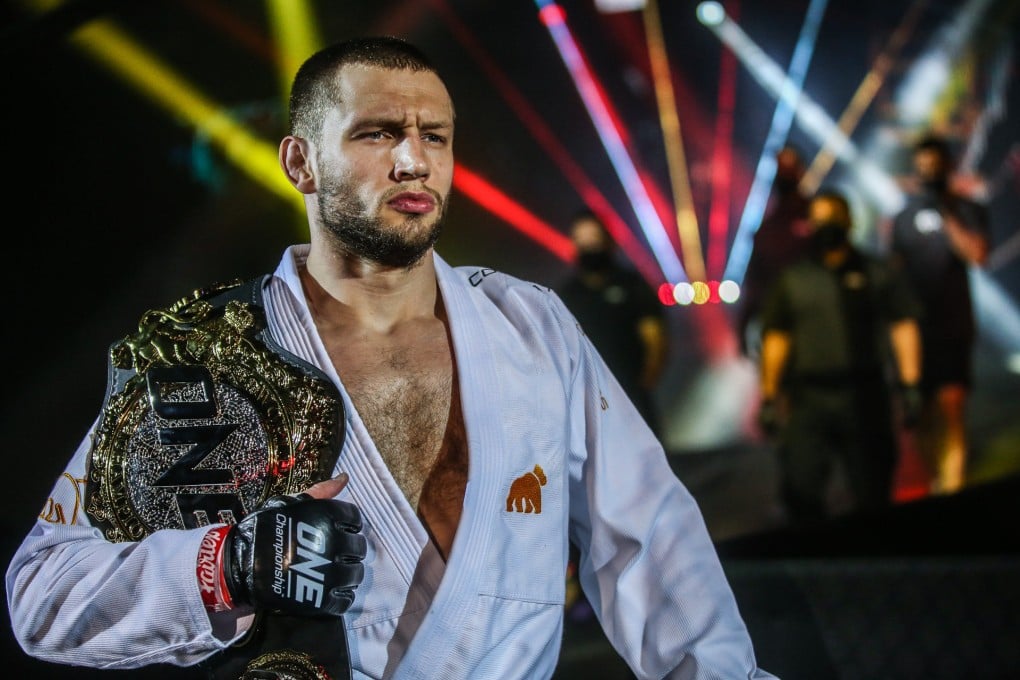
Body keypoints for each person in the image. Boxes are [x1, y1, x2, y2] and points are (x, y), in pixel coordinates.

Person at [6, 36, 776, 680]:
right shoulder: (204, 356)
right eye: (377, 133)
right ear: (301, 163)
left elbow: (650, 539)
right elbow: (44, 594)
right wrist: (228, 563)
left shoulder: (530, 327)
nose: (415, 160)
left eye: (434, 135)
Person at [757, 190, 922, 523]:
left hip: (866, 394)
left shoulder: (877, 272)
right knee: (801, 490)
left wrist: (910, 384)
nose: (824, 226)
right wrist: (769, 395)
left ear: (847, 221)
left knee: (873, 490)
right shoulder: (794, 278)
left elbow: (903, 325)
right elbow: (776, 338)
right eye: (817, 219)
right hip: (810, 398)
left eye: (830, 218)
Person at [888, 133, 990, 495]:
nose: (928, 172)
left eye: (935, 165)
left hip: (954, 325)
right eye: (923, 167)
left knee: (951, 406)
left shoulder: (967, 209)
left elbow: (977, 254)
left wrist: (945, 211)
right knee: (922, 415)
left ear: (947, 166)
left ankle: (952, 486)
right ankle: (937, 482)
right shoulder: (903, 218)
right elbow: (894, 273)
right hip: (916, 334)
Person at [555, 209, 669, 438]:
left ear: (608, 242)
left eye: (594, 239)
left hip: (632, 399)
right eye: (582, 240)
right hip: (584, 405)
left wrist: (644, 383)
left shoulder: (632, 285)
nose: (588, 246)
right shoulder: (566, 295)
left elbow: (655, 339)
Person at [736, 144, 813, 359]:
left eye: (788, 166)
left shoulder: (818, 216)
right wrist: (743, 327)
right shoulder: (767, 228)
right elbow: (755, 283)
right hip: (782, 326)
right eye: (779, 167)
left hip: (820, 322)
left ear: (801, 170)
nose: (783, 173)